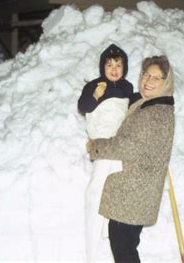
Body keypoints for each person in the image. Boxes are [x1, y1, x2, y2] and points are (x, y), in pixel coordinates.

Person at [87, 55, 175, 262]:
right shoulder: (149, 105)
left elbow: (126, 146)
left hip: (133, 195)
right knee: (124, 247)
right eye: (145, 74)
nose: (148, 81)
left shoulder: (155, 113)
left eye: (156, 78)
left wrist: (96, 146)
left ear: (166, 82)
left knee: (124, 251)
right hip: (133, 194)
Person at [78, 43, 134, 262]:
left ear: (124, 68)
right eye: (109, 64)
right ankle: (92, 237)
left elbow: (133, 109)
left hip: (119, 142)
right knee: (98, 185)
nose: (114, 69)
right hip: (103, 139)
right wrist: (94, 95)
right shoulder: (95, 85)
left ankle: (109, 227)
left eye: (118, 65)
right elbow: (83, 107)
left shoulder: (128, 88)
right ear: (103, 67)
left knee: (117, 185)